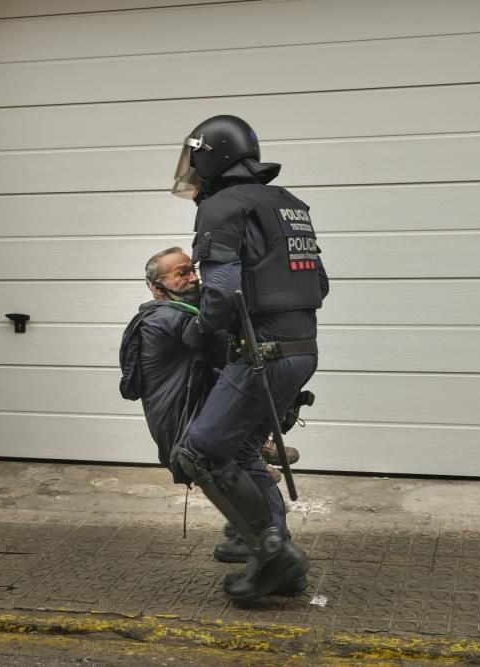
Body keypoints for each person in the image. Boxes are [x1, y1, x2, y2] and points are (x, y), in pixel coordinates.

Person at [168, 115, 330, 602]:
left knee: (199, 452)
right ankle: (275, 560)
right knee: (239, 454)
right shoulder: (290, 206)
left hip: (264, 352)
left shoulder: (222, 205)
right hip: (301, 351)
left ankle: (276, 554)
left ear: (210, 156)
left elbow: (220, 291)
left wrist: (197, 333)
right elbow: (318, 284)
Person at [119, 247, 282, 563]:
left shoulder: (179, 313)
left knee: (239, 464)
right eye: (182, 273)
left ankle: (247, 529)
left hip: (198, 417)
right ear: (157, 287)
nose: (193, 277)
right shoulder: (166, 317)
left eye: (193, 269)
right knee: (243, 466)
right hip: (186, 425)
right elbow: (214, 341)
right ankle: (269, 541)